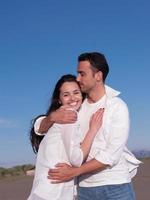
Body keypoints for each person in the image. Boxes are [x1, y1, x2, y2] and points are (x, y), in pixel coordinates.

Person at [35, 52, 141, 200]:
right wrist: (52, 117)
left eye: (82, 74)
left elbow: (111, 155)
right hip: (85, 189)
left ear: (98, 76)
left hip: (116, 186)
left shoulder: (117, 106)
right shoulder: (77, 106)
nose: (78, 78)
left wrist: (74, 171)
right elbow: (40, 127)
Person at [28, 74, 104, 200]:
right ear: (59, 100)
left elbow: (38, 126)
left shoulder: (60, 117)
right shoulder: (69, 114)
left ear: (82, 94)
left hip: (45, 190)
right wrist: (93, 130)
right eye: (66, 94)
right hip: (54, 192)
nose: (72, 98)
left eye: (76, 92)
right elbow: (76, 159)